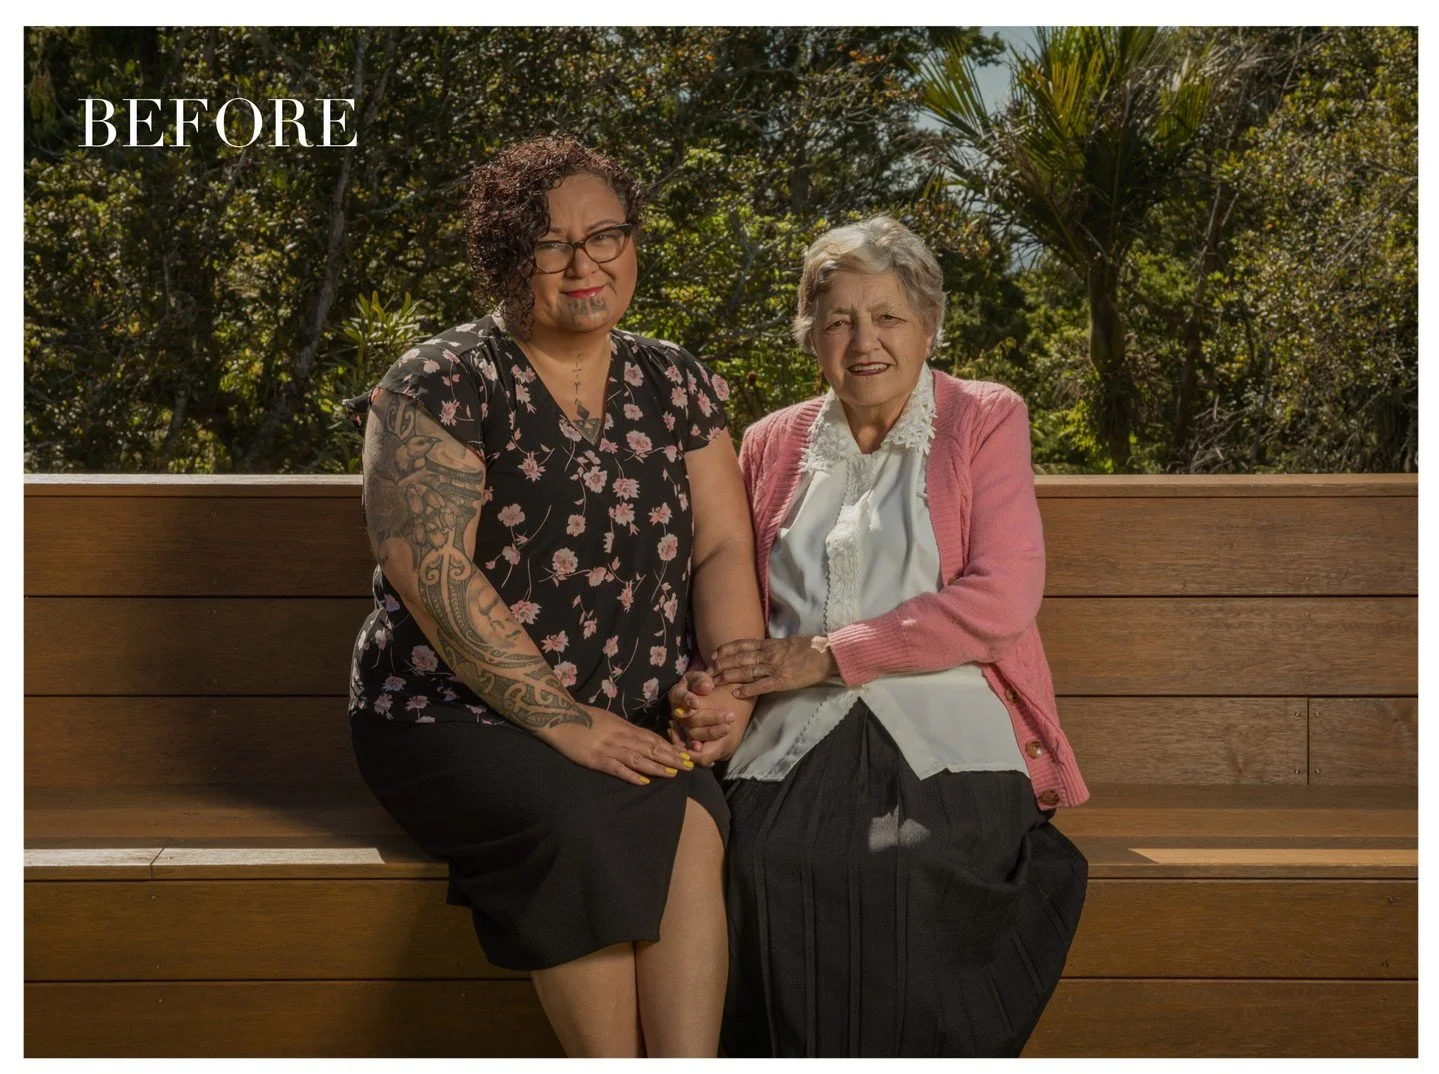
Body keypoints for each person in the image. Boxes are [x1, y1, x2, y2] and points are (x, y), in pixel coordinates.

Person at [342, 135, 763, 1058]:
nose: (585, 264)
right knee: (588, 815)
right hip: (451, 717)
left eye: (605, 235)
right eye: (549, 243)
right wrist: (565, 723)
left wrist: (726, 684)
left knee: (692, 813)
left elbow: (723, 544)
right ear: (504, 256)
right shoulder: (441, 381)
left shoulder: (676, 382)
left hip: (632, 715)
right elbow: (432, 572)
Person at [670, 215, 1091, 1057]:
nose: (864, 341)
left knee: (899, 866)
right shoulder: (769, 442)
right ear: (810, 337)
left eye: (888, 317)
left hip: (949, 721)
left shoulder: (982, 418)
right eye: (837, 320)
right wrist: (710, 680)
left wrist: (830, 654)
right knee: (755, 865)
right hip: (789, 726)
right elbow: (734, 604)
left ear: (928, 324)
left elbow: (1001, 598)